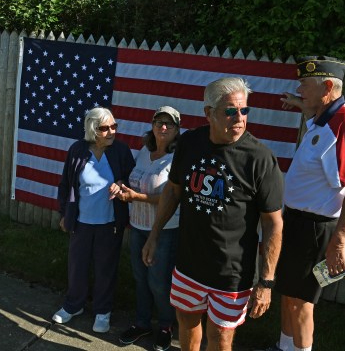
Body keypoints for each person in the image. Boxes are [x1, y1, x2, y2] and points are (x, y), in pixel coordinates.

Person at [143, 77, 284, 351]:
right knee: (186, 322)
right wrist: (154, 235)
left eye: (244, 110)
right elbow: (173, 191)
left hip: (231, 273)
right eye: (230, 111)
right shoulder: (190, 143)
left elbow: (273, 223)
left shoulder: (260, 158)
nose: (239, 118)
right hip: (188, 264)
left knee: (220, 337)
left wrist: (266, 281)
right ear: (208, 113)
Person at [268, 56, 345, 351]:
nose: (299, 89)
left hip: (315, 229)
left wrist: (338, 242)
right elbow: (317, 124)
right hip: (297, 223)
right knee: (288, 295)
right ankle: (284, 347)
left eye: (304, 85)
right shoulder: (325, 117)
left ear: (327, 87)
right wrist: (300, 105)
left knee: (301, 304)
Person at [52, 106, 135, 333]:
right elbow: (66, 184)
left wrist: (121, 183)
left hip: (110, 224)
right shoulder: (77, 150)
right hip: (81, 222)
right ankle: (73, 305)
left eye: (114, 126)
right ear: (92, 129)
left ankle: (102, 311)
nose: (111, 132)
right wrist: (64, 214)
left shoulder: (121, 151)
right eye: (105, 128)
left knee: (105, 268)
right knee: (77, 266)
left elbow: (132, 179)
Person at [117, 106, 181, 351]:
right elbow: (135, 178)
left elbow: (173, 196)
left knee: (158, 281)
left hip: (165, 228)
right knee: (140, 278)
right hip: (138, 224)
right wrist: (123, 186)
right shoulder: (145, 151)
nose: (163, 128)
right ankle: (142, 323)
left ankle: (166, 325)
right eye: (158, 122)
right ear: (152, 126)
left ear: (177, 130)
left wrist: (137, 196)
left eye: (169, 124)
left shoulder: (178, 157)